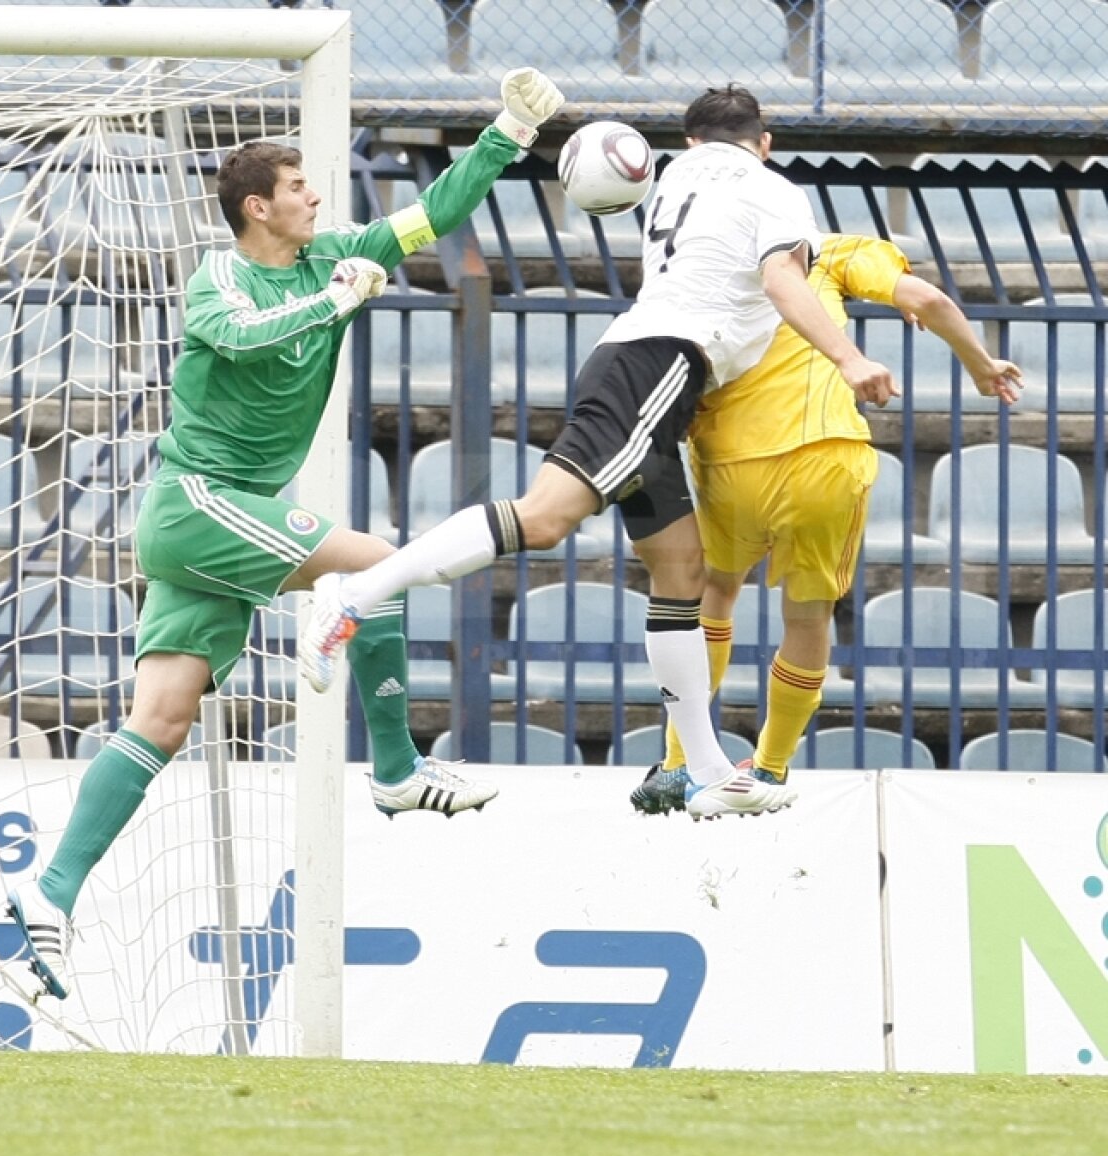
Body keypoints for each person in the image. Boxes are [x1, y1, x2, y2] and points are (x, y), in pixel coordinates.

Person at [5, 66, 567, 1001]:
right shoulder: (220, 277)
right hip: (199, 503)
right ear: (259, 208)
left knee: (164, 717)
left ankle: (50, 889)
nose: (318, 197)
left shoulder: (331, 251)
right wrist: (335, 303)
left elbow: (430, 214)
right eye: (302, 188)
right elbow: (249, 338)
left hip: (224, 524)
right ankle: (392, 770)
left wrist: (507, 132)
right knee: (382, 562)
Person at [300, 85, 897, 824]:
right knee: (546, 518)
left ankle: (710, 770)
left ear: (691, 143)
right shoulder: (772, 190)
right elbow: (781, 279)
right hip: (662, 363)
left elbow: (640, 184)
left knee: (682, 570)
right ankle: (358, 593)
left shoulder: (678, 177)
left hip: (648, 360)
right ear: (764, 141)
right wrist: (845, 355)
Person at [630, 232, 1024, 815]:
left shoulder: (700, 261)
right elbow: (931, 301)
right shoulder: (826, 251)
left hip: (730, 458)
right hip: (824, 456)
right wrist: (981, 365)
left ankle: (678, 763)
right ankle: (769, 766)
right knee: (808, 612)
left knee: (712, 595)